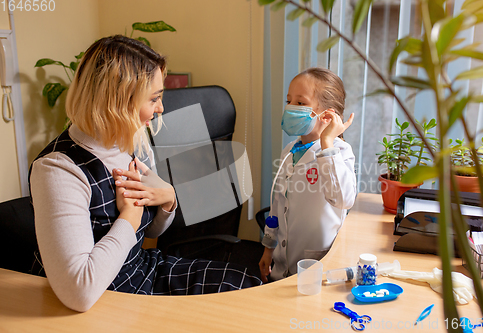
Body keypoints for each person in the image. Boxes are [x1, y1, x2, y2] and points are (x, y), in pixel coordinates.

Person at [29, 35, 261, 312]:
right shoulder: (59, 170)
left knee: (246, 286)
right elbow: (79, 292)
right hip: (103, 298)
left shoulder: (128, 142)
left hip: (140, 271)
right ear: (117, 101)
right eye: (154, 99)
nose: (161, 108)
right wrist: (129, 217)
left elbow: (151, 230)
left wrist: (167, 201)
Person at [259, 67, 356, 282]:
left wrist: (327, 144)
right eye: (289, 101)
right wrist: (268, 248)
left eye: (300, 103)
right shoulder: (289, 151)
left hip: (317, 266)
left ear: (327, 114)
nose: (291, 107)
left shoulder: (339, 152)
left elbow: (343, 200)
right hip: (281, 264)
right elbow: (277, 204)